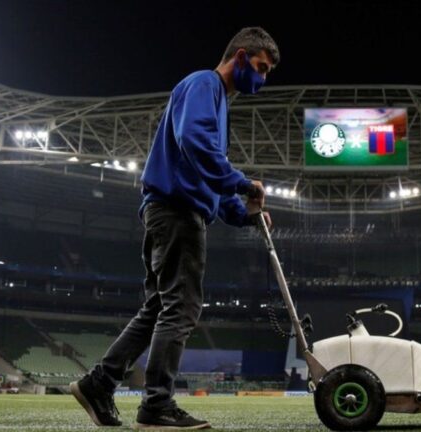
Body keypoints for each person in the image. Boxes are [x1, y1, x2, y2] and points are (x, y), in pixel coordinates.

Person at [70, 27, 279, 430]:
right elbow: (195, 144)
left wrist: (245, 212)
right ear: (239, 57)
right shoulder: (204, 84)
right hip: (177, 213)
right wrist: (242, 182)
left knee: (157, 309)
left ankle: (100, 383)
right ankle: (156, 406)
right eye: (261, 68)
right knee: (181, 308)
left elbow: (207, 177)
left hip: (171, 210)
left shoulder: (218, 102)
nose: (263, 79)